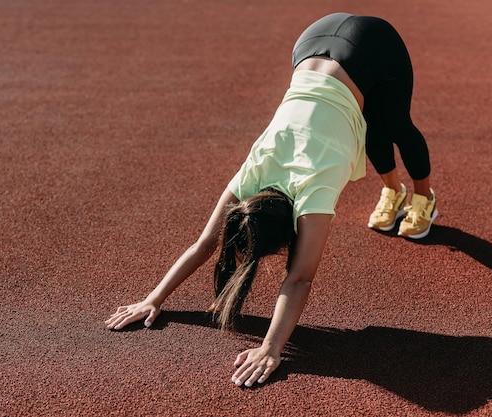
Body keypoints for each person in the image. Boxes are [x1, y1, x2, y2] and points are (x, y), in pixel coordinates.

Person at [105, 13, 437, 387]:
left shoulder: (315, 187)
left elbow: (299, 279)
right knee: (371, 124)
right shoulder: (253, 176)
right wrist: (153, 299)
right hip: (312, 39)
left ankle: (423, 197)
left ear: (289, 230)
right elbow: (204, 244)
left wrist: (271, 348)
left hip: (373, 42)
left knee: (393, 125)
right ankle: (392, 190)